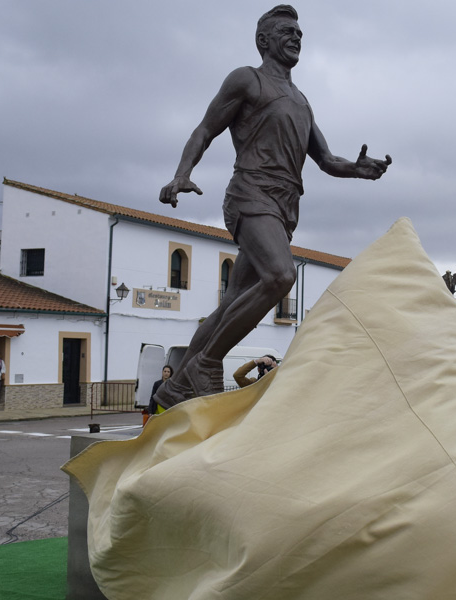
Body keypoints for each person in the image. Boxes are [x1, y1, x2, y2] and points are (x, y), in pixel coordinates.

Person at [153, 5, 391, 410]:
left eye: (300, 34)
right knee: (281, 276)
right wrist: (181, 172)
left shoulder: (300, 100)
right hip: (250, 194)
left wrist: (358, 169)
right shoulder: (248, 79)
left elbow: (326, 160)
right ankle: (207, 365)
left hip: (285, 206)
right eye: (287, 31)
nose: (297, 38)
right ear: (264, 40)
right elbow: (205, 128)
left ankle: (176, 388)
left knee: (232, 302)